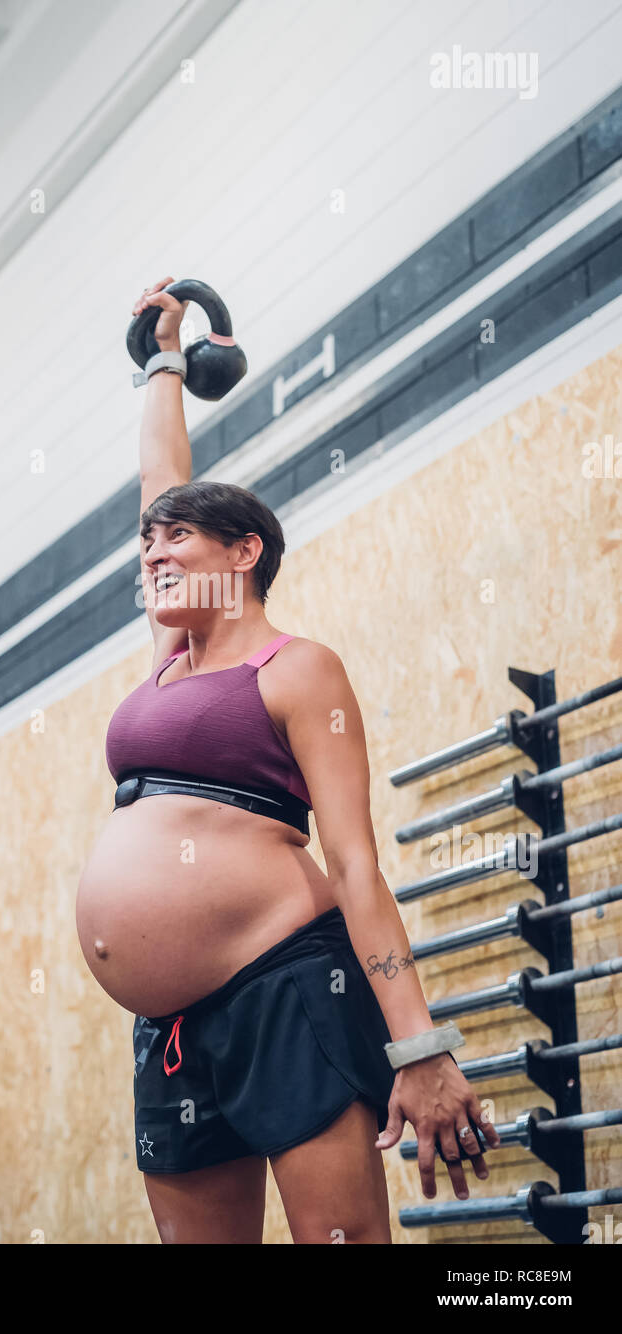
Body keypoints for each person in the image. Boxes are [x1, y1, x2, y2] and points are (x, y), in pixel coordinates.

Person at [75, 276, 500, 1244]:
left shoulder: (295, 667)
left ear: (244, 552)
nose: (150, 554)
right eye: (145, 545)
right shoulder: (167, 662)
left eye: (175, 539)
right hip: (170, 1028)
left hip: (287, 988)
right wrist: (164, 359)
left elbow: (353, 863)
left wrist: (420, 1048)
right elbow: (159, 480)